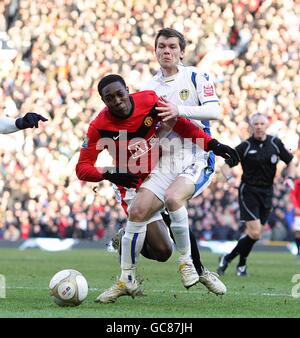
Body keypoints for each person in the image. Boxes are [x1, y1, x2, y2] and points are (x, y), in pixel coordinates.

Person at [76, 74, 239, 303]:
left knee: (175, 207)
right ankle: (128, 242)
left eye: (120, 94)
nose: (117, 101)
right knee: (162, 252)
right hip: (130, 185)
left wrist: (213, 144)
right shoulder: (99, 127)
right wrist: (111, 173)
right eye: (109, 98)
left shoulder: (149, 101)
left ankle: (198, 270)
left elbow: (182, 126)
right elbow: (82, 168)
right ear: (103, 101)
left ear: (127, 90)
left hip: (157, 173)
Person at [137, 28, 223, 286]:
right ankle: (126, 276)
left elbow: (214, 111)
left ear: (182, 52)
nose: (167, 51)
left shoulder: (196, 77)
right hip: (165, 160)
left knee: (173, 199)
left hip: (196, 154)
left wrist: (179, 110)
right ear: (155, 51)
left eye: (173, 47)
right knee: (138, 212)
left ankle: (190, 266)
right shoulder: (149, 87)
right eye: (162, 46)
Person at [217, 112, 295, 276]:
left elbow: (290, 162)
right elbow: (225, 166)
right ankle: (237, 263)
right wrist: (230, 178)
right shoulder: (245, 146)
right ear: (251, 126)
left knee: (255, 234)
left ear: (266, 125)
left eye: (262, 123)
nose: (259, 126)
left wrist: (290, 178)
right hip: (248, 191)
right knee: (255, 232)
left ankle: (232, 260)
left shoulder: (275, 143)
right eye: (256, 124)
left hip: (267, 192)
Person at [291, 178, 300, 256]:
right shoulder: (298, 182)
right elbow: (293, 194)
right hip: (299, 213)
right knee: (298, 232)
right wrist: (296, 207)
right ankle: (298, 250)